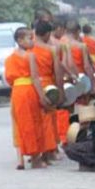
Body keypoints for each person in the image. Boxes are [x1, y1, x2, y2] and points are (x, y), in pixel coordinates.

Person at [5, 26, 47, 169]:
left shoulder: (9, 59)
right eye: (30, 38)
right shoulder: (30, 56)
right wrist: (42, 97)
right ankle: (35, 159)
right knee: (33, 122)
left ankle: (20, 160)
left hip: (17, 91)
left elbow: (8, 80)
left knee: (18, 124)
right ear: (20, 40)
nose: (33, 40)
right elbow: (35, 78)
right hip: (29, 91)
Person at [31, 20, 61, 158]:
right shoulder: (51, 49)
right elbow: (57, 71)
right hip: (48, 84)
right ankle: (50, 150)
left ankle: (36, 151)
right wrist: (61, 90)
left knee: (35, 119)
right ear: (47, 33)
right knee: (48, 119)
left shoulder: (27, 49)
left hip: (31, 86)